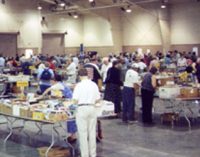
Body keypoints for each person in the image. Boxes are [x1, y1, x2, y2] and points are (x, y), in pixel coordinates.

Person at [40, 74, 77, 143]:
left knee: (70, 119)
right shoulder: (61, 84)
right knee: (71, 119)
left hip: (68, 103)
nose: (50, 81)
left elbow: (48, 89)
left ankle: (72, 136)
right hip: (71, 102)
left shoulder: (57, 85)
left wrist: (41, 96)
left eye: (51, 80)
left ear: (54, 80)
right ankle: (72, 135)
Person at [73, 68, 101, 157]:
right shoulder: (94, 84)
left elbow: (75, 100)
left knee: (83, 133)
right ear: (87, 75)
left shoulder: (79, 85)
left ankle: (84, 155)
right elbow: (98, 99)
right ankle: (93, 154)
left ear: (79, 76)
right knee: (92, 132)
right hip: (92, 108)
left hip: (82, 109)